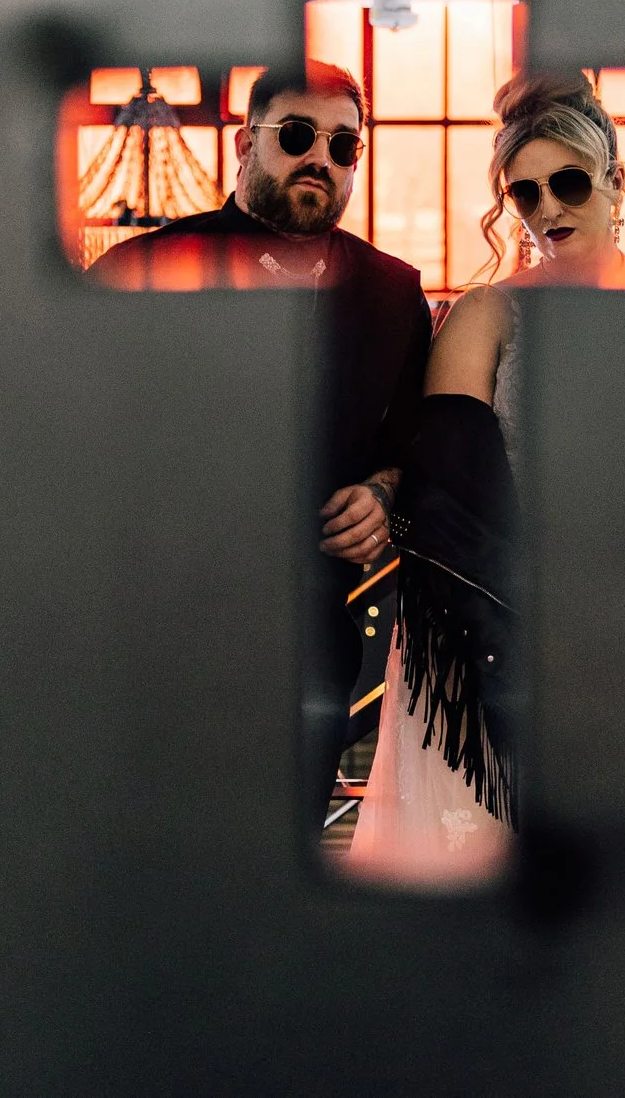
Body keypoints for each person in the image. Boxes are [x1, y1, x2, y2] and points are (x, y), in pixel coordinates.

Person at [344, 72, 625, 887]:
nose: (548, 209)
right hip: (503, 619)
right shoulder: (486, 313)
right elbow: (447, 501)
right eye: (526, 192)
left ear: (614, 180)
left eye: (569, 183)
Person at [88, 61, 430, 822]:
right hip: (151, 631)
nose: (322, 158)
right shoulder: (143, 270)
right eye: (299, 136)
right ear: (245, 143)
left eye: (344, 146)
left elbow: (412, 440)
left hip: (310, 635)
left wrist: (382, 492)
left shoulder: (392, 290)